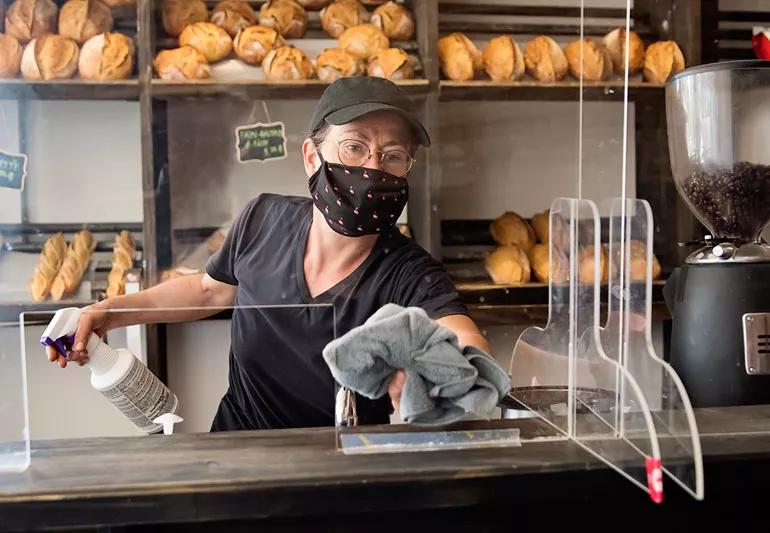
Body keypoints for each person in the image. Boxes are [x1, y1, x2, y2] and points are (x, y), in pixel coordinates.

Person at [47, 76, 491, 431]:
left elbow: (465, 340)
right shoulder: (262, 218)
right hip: (238, 454)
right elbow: (207, 291)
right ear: (311, 157)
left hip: (343, 475)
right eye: (354, 146)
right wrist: (109, 312)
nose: (372, 168)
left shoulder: (410, 272)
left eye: (392, 156)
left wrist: (436, 372)